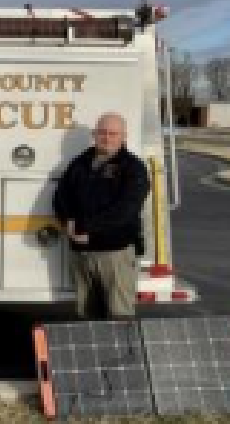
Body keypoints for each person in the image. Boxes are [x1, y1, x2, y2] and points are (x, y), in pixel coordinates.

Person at [53, 112, 149, 319]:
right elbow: (61, 196)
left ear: (124, 136)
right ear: (94, 134)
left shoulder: (133, 168)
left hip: (115, 254)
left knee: (119, 315)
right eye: (102, 132)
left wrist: (85, 228)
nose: (107, 138)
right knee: (86, 314)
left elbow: (125, 210)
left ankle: (121, 343)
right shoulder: (80, 163)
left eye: (113, 134)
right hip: (81, 254)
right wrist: (68, 221)